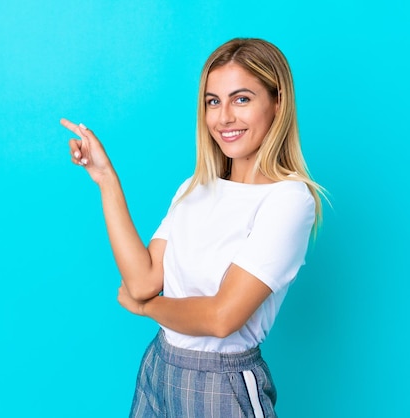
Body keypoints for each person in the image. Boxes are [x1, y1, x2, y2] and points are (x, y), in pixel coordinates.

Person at [61, 38, 324, 418]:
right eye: (213, 101)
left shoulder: (289, 200)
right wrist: (106, 179)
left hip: (221, 386)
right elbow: (142, 280)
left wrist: (147, 308)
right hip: (159, 367)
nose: (224, 117)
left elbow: (221, 318)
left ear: (277, 102)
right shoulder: (194, 188)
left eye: (242, 99)